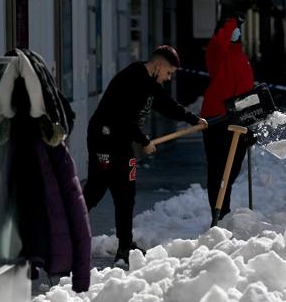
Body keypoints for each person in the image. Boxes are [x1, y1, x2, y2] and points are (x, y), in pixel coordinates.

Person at [83, 45, 207, 263]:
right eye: (168, 73)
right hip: (104, 138)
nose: (168, 78)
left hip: (121, 140)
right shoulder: (132, 78)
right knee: (96, 190)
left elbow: (167, 105)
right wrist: (144, 141)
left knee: (126, 194)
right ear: (159, 65)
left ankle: (125, 245)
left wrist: (193, 119)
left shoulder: (151, 83)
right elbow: (122, 117)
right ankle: (63, 235)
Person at [201, 14, 255, 225]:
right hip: (217, 117)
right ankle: (218, 213)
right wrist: (232, 20)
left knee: (231, 171)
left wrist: (250, 122)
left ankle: (224, 209)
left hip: (239, 118)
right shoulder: (217, 52)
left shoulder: (241, 57)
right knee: (218, 169)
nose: (236, 32)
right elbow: (218, 42)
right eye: (232, 30)